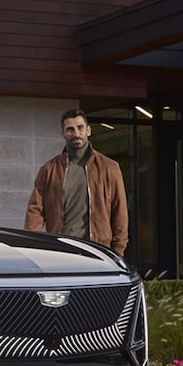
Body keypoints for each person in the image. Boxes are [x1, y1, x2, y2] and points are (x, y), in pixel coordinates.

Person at [25, 108, 129, 256]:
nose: (76, 134)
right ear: (63, 133)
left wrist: (118, 251)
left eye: (80, 128)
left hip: (98, 250)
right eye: (70, 129)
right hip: (61, 250)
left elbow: (120, 211)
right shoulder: (49, 170)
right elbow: (35, 211)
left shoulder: (109, 167)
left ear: (88, 130)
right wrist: (32, 246)